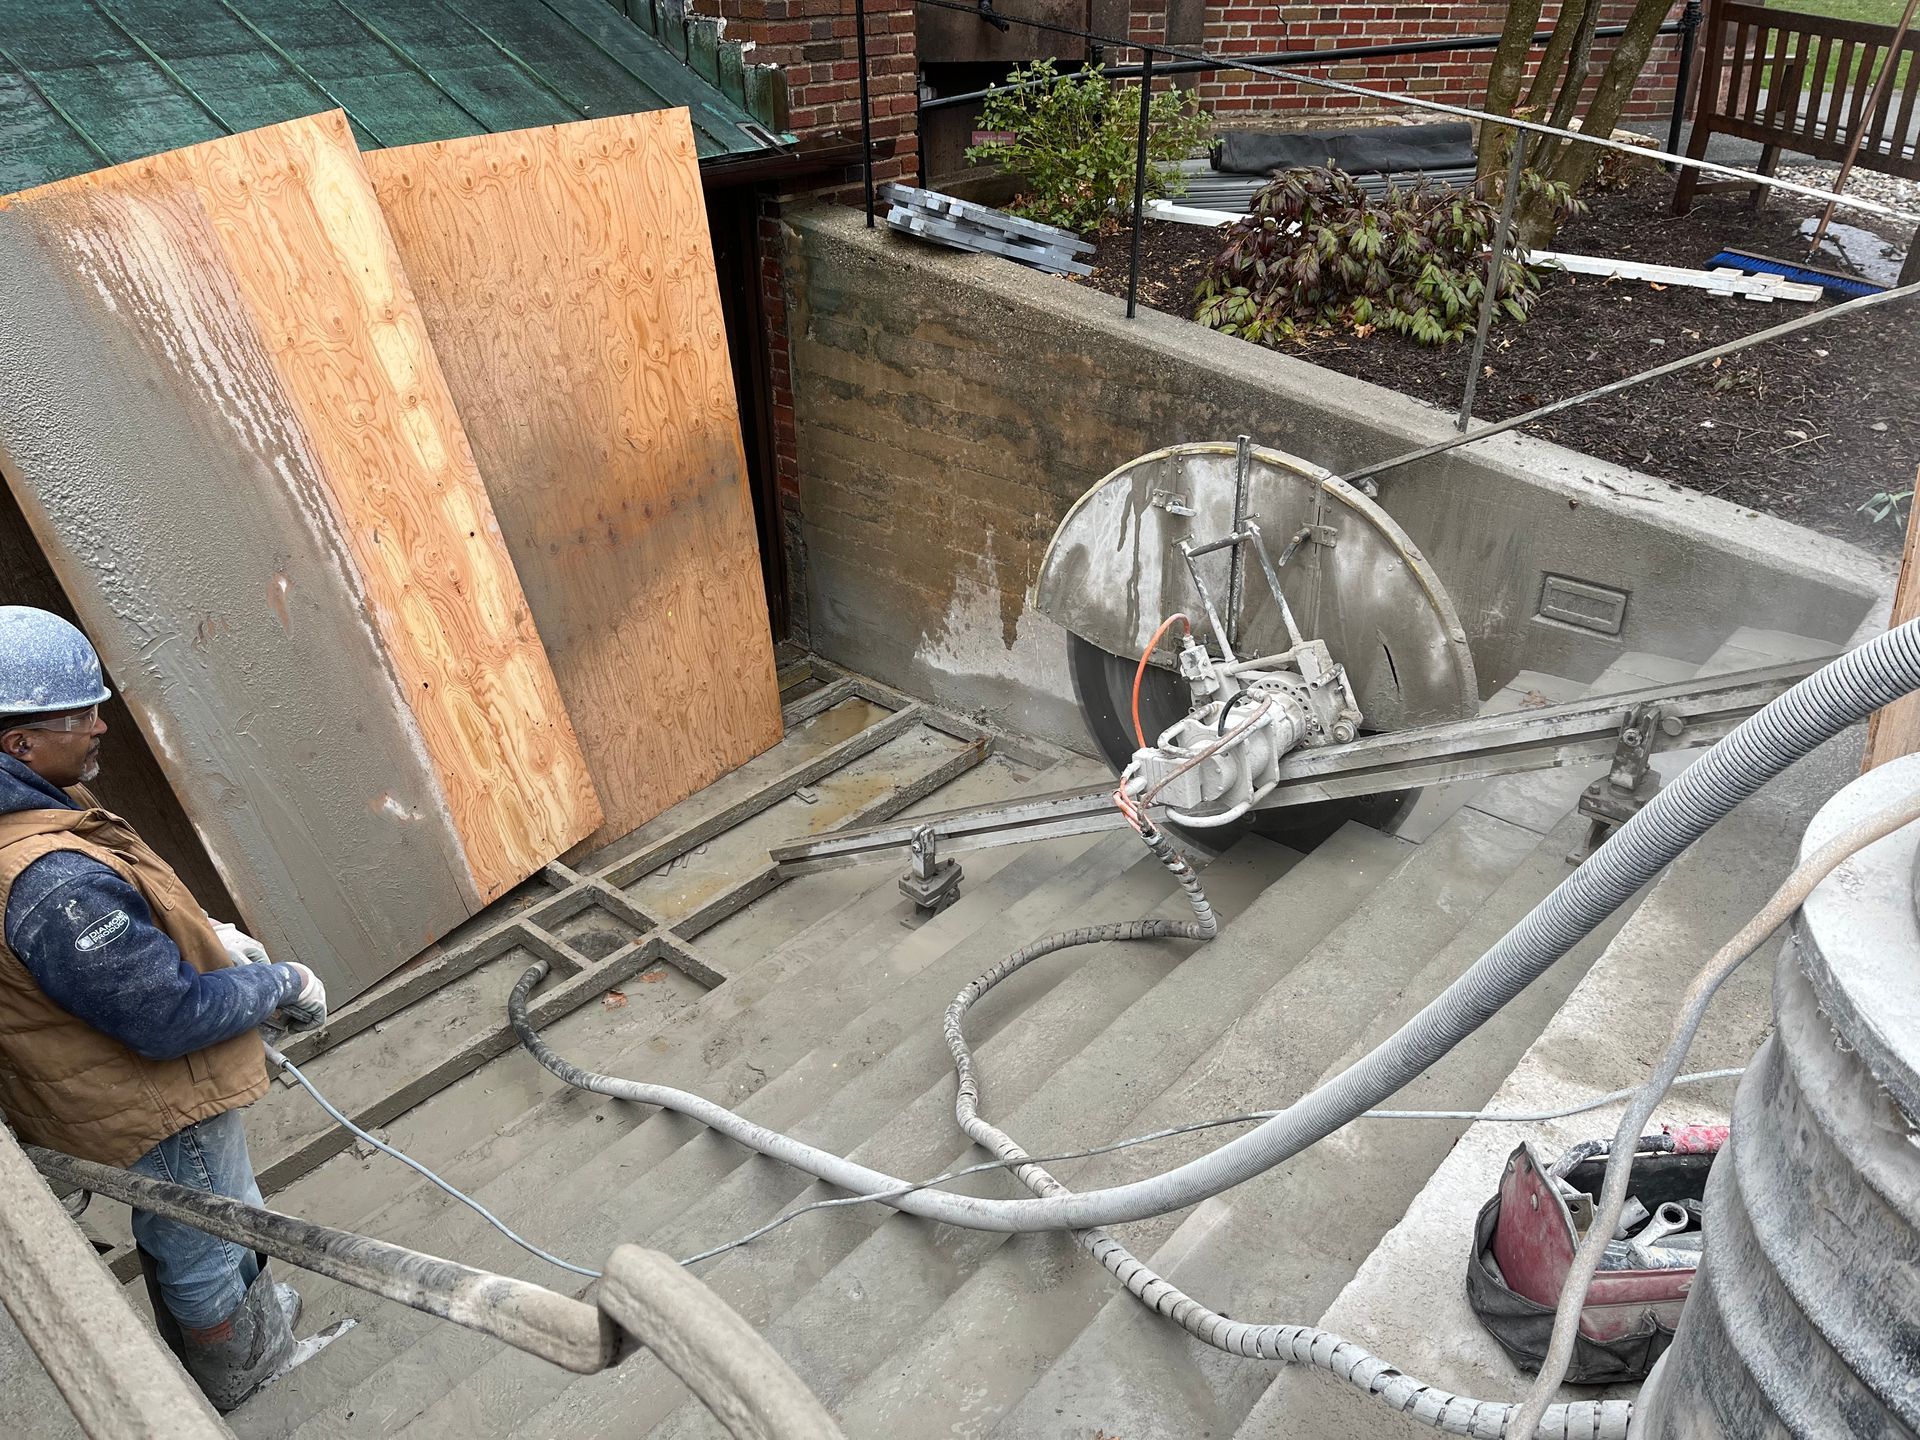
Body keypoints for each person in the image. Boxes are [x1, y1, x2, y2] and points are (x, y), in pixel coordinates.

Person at [0, 605, 329, 1410]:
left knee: (181, 1221)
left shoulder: (28, 820)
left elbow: (107, 955)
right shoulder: (52, 881)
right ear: (20, 744)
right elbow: (166, 1019)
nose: (101, 726)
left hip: (88, 1082)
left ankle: (233, 1332)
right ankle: (246, 1370)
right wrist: (280, 985)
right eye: (80, 714)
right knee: (209, 1230)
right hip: (151, 1101)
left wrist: (202, 934)